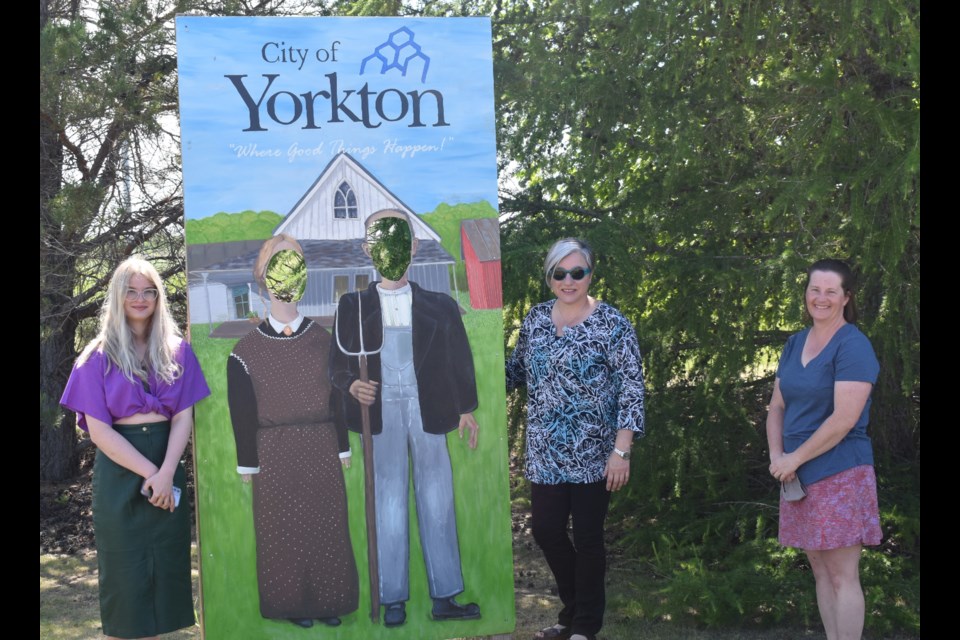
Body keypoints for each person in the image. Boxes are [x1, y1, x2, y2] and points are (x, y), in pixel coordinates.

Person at [330, 209, 481, 627]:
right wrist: (350, 386)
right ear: (368, 250)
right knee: (389, 498)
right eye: (381, 241)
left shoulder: (441, 306)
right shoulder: (353, 306)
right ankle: (392, 596)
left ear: (414, 248)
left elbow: (459, 361)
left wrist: (466, 408)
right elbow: (337, 365)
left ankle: (445, 594)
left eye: (401, 240)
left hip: (429, 405)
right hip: (378, 410)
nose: (391, 249)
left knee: (438, 496)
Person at [60, 256, 211, 640]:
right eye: (132, 291)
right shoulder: (95, 356)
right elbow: (99, 433)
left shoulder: (178, 351)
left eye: (149, 292)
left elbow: (182, 418)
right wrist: (152, 474)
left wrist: (166, 473)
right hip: (122, 472)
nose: (141, 299)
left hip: (168, 463)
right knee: (126, 593)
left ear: (159, 298)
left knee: (163, 590)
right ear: (118, 296)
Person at [505, 238, 645, 640]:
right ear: (549, 277)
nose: (569, 281)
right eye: (560, 273)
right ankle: (574, 610)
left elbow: (631, 389)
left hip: (595, 452)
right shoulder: (533, 320)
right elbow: (514, 373)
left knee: (587, 539)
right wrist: (470, 357)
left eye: (577, 272)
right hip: (545, 450)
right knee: (546, 531)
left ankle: (583, 625)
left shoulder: (612, 324)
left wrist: (621, 450)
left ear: (590, 275)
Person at [226, 235, 359, 628]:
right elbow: (242, 415)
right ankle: (292, 604)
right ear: (263, 276)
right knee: (282, 530)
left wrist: (342, 448)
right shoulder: (244, 352)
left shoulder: (325, 341)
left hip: (319, 445)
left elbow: (338, 400)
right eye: (278, 264)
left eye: (296, 263)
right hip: (274, 451)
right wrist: (248, 465)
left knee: (326, 525)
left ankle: (329, 601)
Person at [766, 258, 881, 640]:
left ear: (846, 298)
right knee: (819, 570)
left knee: (841, 575)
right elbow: (777, 407)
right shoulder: (795, 342)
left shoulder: (853, 345)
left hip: (840, 471)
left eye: (831, 291)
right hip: (796, 474)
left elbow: (843, 419)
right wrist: (777, 457)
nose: (822, 298)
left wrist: (793, 458)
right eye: (815, 289)